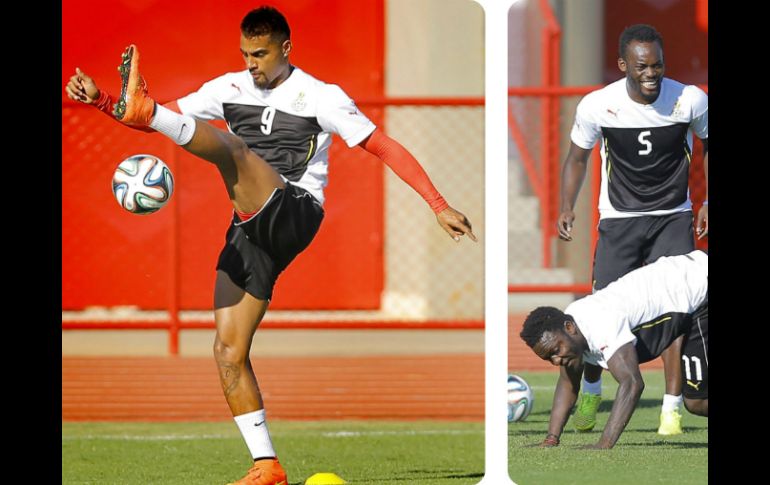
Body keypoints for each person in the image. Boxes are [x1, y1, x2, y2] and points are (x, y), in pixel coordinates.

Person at [65, 7, 476, 485]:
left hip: (296, 209)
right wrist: (105, 102)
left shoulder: (322, 96)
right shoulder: (227, 88)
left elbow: (382, 145)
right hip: (249, 226)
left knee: (233, 150)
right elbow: (157, 123)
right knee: (227, 350)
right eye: (244, 53)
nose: (251, 63)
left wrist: (438, 203)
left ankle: (149, 106)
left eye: (260, 54)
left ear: (286, 48)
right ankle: (267, 465)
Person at [555, 24, 708, 436]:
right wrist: (566, 206)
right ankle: (590, 390)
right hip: (619, 221)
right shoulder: (596, 106)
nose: (651, 74)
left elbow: (707, 143)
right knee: (597, 312)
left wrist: (706, 198)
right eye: (642, 66)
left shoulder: (690, 99)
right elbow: (576, 158)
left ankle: (671, 409)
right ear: (624, 65)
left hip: (672, 217)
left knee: (676, 311)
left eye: (658, 65)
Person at [519, 250, 708, 449]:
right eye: (549, 358)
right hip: (684, 288)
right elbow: (568, 383)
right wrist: (551, 439)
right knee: (696, 402)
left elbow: (632, 383)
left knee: (697, 402)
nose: (556, 360)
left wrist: (604, 443)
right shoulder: (570, 328)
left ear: (569, 328)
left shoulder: (601, 324)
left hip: (700, 284)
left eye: (556, 350)